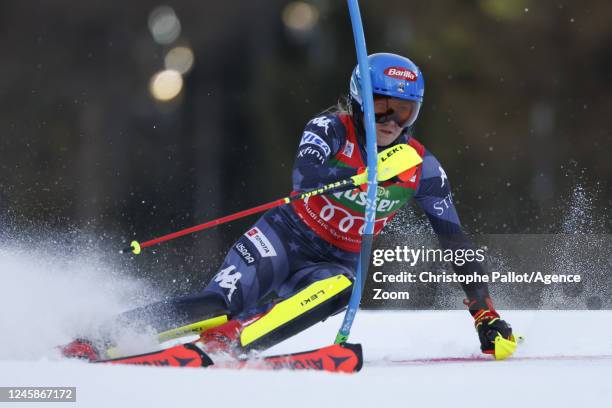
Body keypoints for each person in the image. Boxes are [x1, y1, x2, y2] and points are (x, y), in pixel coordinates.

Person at [62, 53, 514, 361]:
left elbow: (454, 241)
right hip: (283, 237)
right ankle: (97, 340)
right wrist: (358, 177)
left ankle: (234, 343)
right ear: (358, 102)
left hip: (335, 260)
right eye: (382, 109)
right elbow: (305, 179)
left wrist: (483, 313)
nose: (393, 122)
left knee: (343, 286)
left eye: (406, 112)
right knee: (219, 303)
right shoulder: (329, 128)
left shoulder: (422, 168)